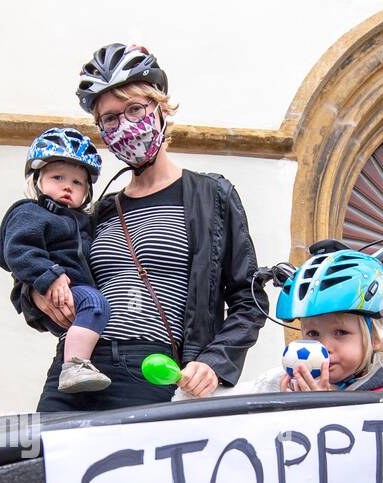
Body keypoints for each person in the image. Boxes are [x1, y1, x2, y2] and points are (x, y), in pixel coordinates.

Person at [18, 42, 264, 412]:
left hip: (155, 371)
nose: (124, 125)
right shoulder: (98, 210)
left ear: (161, 109)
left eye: (134, 109)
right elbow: (44, 271)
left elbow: (249, 300)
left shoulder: (211, 195)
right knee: (45, 468)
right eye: (110, 118)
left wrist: (213, 364)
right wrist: (37, 296)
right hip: (76, 369)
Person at [0, 128, 112, 392]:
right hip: (60, 287)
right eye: (58, 177)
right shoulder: (30, 212)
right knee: (95, 304)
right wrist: (50, 275)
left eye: (77, 182)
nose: (68, 186)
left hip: (73, 292)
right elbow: (15, 250)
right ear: (37, 180)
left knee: (93, 307)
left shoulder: (84, 222)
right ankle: (74, 367)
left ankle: (79, 362)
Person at [256, 249, 383, 394]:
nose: (324, 347)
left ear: (376, 337)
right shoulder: (285, 384)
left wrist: (321, 409)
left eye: (341, 332)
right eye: (313, 333)